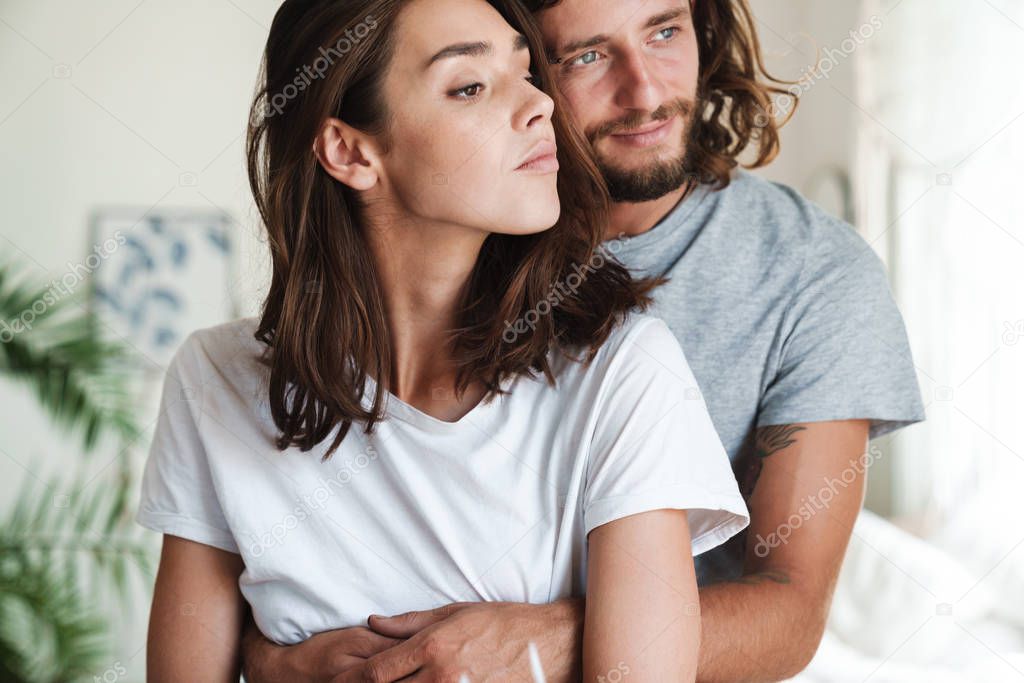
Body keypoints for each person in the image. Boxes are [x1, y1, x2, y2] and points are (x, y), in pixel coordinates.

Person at [240, 1, 927, 682]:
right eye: (586, 56)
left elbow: (789, 608)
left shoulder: (813, 272)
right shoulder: (446, 220)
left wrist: (543, 639)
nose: (647, 91)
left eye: (665, 31)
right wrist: (267, 655)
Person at [134, 0, 751, 681]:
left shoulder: (625, 374)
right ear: (349, 150)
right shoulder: (216, 381)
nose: (537, 107)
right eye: (469, 87)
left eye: (525, 70)